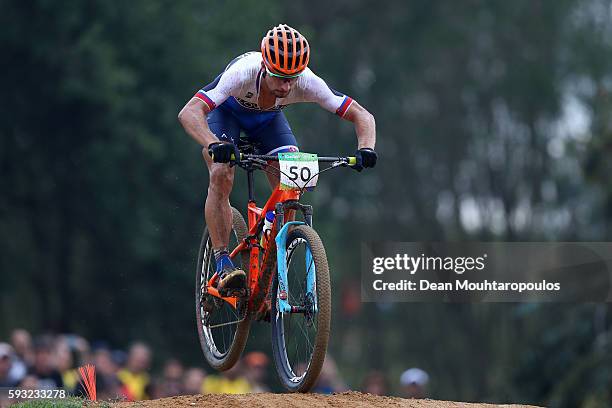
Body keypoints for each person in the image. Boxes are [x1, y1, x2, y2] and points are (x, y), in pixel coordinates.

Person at [178, 24, 377, 294]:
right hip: (228, 115)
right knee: (221, 172)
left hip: (269, 122)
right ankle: (222, 261)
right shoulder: (242, 73)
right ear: (265, 66)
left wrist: (366, 148)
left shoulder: (306, 81)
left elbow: (362, 115)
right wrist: (214, 143)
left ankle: (271, 260)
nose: (286, 85)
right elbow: (189, 113)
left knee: (291, 181)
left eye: (292, 78)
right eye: (279, 77)